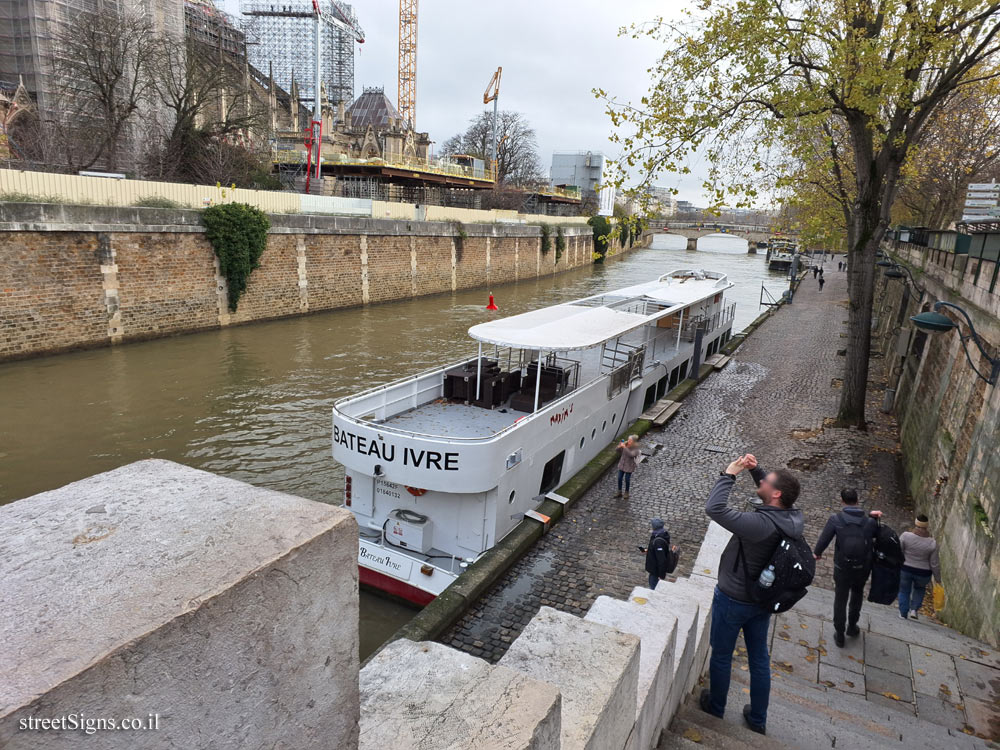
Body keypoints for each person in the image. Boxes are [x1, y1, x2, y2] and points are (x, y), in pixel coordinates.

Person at [701, 453, 803, 736]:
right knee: (759, 658)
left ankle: (716, 708)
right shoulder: (792, 516)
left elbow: (715, 508)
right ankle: (757, 719)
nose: (763, 480)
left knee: (722, 655)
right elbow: (771, 490)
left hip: (734, 597)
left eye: (766, 481)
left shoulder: (759, 525)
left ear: (776, 493)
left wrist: (729, 474)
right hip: (761, 600)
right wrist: (757, 470)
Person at [813, 489, 882, 647]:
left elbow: (824, 539)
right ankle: (852, 626)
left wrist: (817, 553)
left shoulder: (836, 519)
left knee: (840, 598)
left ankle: (839, 633)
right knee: (857, 595)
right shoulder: (869, 522)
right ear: (858, 501)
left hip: (842, 566)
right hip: (862, 567)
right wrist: (876, 519)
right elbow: (877, 537)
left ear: (842, 501)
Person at [898, 514, 942, 620]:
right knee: (920, 588)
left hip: (906, 568)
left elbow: (899, 552)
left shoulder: (905, 536)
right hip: (923, 573)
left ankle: (903, 613)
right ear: (926, 526)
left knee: (904, 590)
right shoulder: (932, 543)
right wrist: (937, 579)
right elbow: (934, 563)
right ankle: (914, 610)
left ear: (916, 524)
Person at [639, 517, 677, 590]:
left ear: (654, 527)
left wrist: (661, 575)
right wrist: (645, 550)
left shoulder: (658, 541)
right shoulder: (661, 534)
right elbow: (656, 550)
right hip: (654, 570)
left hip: (656, 571)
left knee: (653, 587)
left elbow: (661, 560)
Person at [614, 434, 641, 500]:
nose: (628, 441)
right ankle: (619, 491)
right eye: (628, 440)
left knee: (627, 479)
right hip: (622, 465)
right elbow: (617, 450)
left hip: (629, 466)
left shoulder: (636, 449)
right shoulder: (625, 445)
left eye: (630, 440)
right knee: (619, 478)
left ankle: (627, 492)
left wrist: (624, 447)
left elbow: (631, 454)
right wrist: (619, 446)